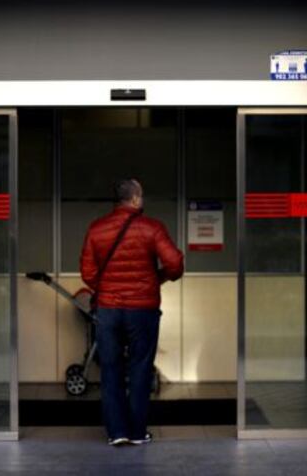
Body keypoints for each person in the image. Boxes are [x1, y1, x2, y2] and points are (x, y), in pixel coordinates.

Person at [80, 178, 184, 446]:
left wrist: (108, 290)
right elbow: (174, 263)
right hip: (143, 310)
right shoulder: (152, 228)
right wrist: (156, 279)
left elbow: (88, 273)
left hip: (109, 310)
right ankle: (137, 432)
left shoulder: (97, 229)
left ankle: (117, 432)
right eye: (142, 196)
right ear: (136, 199)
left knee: (111, 369)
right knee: (140, 368)